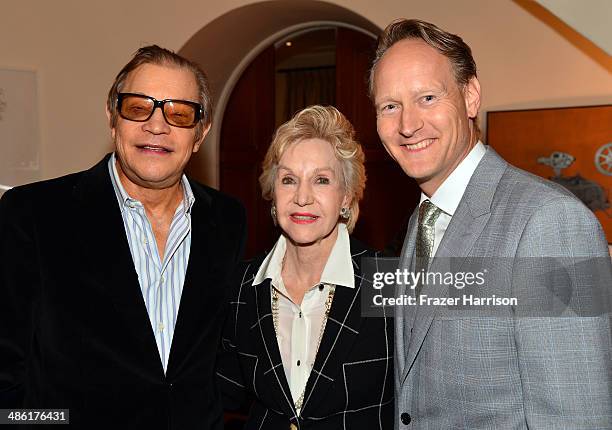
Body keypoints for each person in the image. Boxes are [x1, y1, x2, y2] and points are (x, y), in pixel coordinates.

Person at [370, 19, 612, 429]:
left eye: (427, 97)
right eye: (390, 106)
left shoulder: (551, 221)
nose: (407, 125)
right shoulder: (422, 219)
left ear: (470, 96)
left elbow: (578, 415)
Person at [0, 45, 246, 429]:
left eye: (179, 112)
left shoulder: (228, 220)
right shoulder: (33, 214)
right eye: (138, 107)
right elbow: (5, 374)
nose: (157, 125)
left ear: (201, 133)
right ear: (112, 118)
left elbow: (223, 356)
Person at [217, 105, 393, 429]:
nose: (302, 197)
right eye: (288, 180)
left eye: (321, 180)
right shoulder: (240, 286)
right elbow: (219, 395)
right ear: (273, 194)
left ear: (346, 195)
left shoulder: (390, 280)